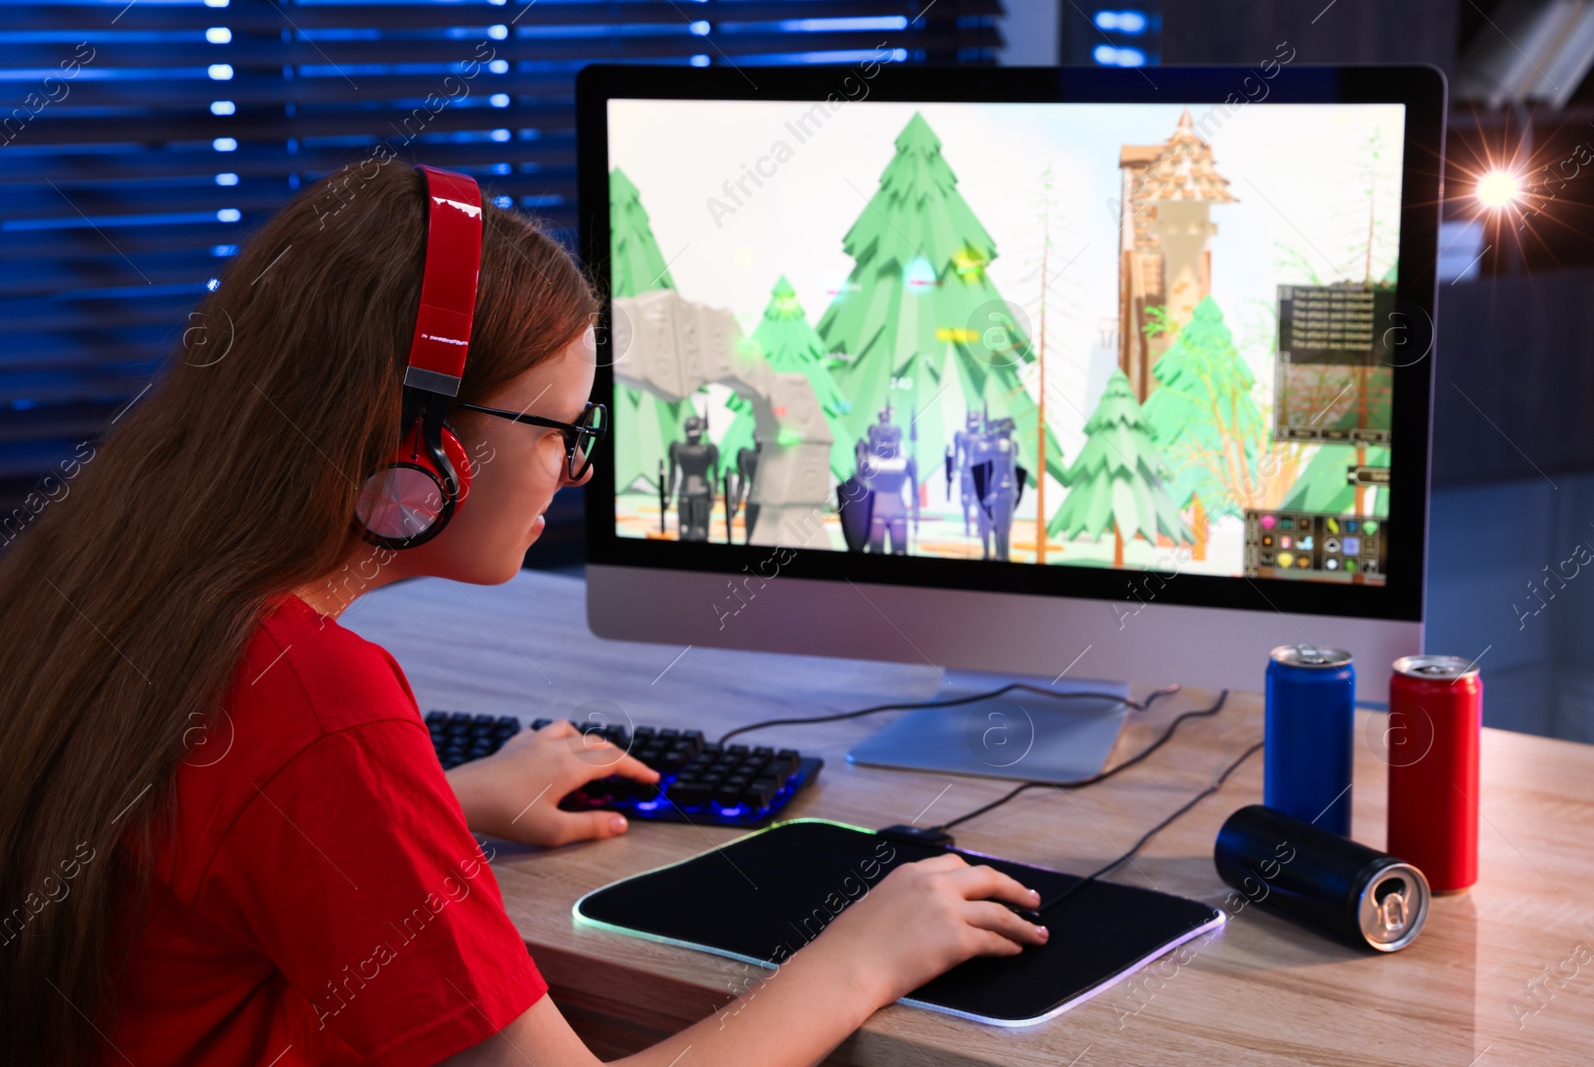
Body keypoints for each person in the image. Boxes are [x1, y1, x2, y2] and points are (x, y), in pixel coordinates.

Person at [0, 162, 1045, 1067]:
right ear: (421, 443)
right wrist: (865, 950)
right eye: (555, 429)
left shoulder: (88, 576)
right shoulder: (316, 698)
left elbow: (183, 853)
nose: (576, 470)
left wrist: (434, 807)